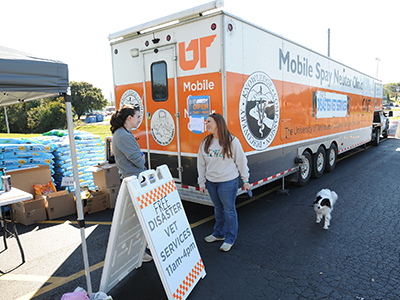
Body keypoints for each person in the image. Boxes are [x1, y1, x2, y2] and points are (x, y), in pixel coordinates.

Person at [197, 113, 250, 252]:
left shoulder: (232, 141)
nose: (207, 124)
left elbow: (241, 161)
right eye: (206, 122)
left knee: (229, 211)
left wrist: (245, 180)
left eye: (209, 122)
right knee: (218, 209)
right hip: (211, 183)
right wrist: (202, 182)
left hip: (227, 183)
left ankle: (229, 238)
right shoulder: (205, 142)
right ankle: (218, 234)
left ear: (218, 124)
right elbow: (201, 164)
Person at [110, 104, 152, 262]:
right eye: (138, 117)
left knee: (137, 219)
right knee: (136, 220)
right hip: (133, 181)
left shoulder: (124, 134)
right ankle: (138, 253)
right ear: (129, 118)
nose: (139, 120)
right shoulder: (123, 135)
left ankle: (140, 251)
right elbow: (139, 161)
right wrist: (142, 156)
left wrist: (140, 155)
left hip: (134, 180)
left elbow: (138, 156)